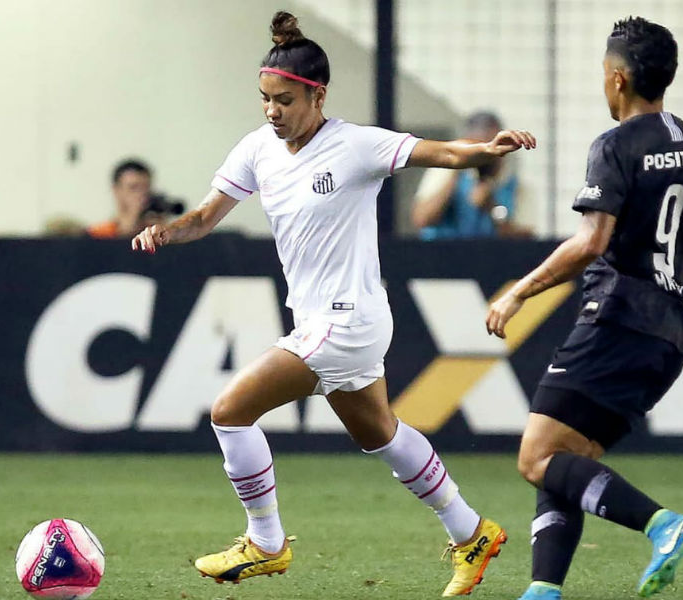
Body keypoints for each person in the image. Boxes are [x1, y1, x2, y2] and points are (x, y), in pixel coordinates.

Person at [131, 11, 535, 597]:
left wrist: (483, 151)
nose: (272, 110)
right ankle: (471, 532)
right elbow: (204, 217)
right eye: (265, 99)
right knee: (381, 434)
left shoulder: (356, 145)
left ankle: (266, 542)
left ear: (316, 95)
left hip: (348, 322)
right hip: (327, 320)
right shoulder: (258, 150)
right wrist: (166, 230)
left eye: (285, 100)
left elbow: (443, 154)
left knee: (229, 410)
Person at [485, 17, 683, 600]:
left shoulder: (615, 146)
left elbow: (591, 241)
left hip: (616, 320)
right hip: (668, 335)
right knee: (565, 458)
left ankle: (663, 525)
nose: (603, 85)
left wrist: (520, 290)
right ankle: (543, 592)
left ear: (619, 79)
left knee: (536, 457)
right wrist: (674, 283)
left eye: (604, 75)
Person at [411, 111, 530, 239]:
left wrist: (491, 208)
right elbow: (422, 220)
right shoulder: (443, 172)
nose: (486, 158)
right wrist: (456, 167)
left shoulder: (515, 186)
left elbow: (524, 237)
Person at [88, 159, 162, 238]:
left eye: (146, 187)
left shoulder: (153, 230)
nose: (142, 194)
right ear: (116, 190)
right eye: (133, 188)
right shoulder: (99, 233)